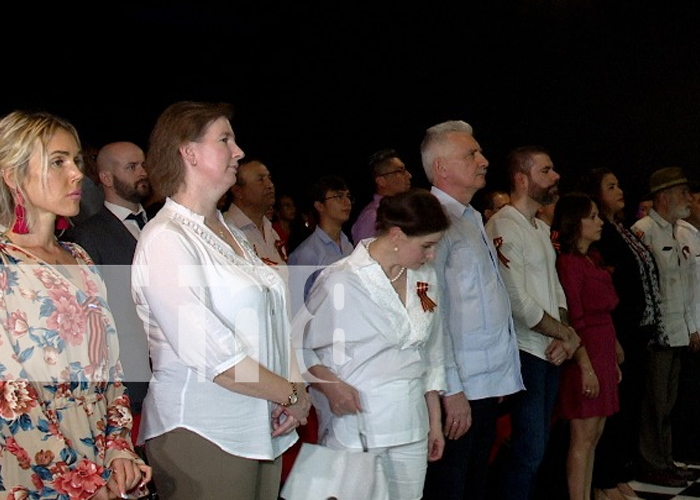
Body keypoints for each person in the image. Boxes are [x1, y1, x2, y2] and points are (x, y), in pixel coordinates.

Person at [131, 101, 311, 500]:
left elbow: (274, 321)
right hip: (202, 430)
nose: (239, 151)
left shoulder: (229, 231)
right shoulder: (166, 237)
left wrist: (293, 386)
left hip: (258, 422)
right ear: (188, 152)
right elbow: (211, 353)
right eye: (225, 140)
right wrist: (291, 394)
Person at [0, 110, 151, 499]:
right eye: (57, 162)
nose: (76, 175)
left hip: (99, 458)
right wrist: (78, 482)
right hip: (37, 470)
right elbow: (12, 400)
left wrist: (120, 447)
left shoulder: (81, 259)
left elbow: (112, 366)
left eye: (76, 161)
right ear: (12, 172)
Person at [301, 188, 449, 500]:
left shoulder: (426, 277)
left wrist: (435, 422)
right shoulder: (340, 279)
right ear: (396, 235)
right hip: (356, 427)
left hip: (412, 427)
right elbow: (298, 347)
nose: (431, 255)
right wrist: (329, 385)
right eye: (426, 246)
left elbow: (432, 354)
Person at [418, 120, 523, 500]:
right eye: (471, 154)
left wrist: (496, 377)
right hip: (459, 387)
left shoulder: (470, 217)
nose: (483, 160)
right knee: (451, 485)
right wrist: (451, 390)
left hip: (483, 383)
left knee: (475, 481)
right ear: (442, 168)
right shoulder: (434, 220)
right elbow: (432, 316)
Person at [484, 145, 581, 500]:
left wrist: (566, 336)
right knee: (528, 452)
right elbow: (517, 303)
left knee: (536, 451)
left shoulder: (539, 227)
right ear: (521, 179)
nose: (555, 177)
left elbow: (555, 290)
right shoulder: (502, 225)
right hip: (525, 352)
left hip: (550, 350)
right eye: (546, 170)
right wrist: (565, 334)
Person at [576, 167, 665, 498]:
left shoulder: (621, 229)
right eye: (610, 186)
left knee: (629, 408)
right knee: (610, 414)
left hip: (639, 330)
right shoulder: (602, 240)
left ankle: (620, 472)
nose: (619, 190)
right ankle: (604, 479)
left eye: (618, 184)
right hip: (616, 331)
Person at [65, 141, 153, 444]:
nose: (143, 172)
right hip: (130, 386)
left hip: (175, 379)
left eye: (143, 164)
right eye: (131, 167)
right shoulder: (86, 237)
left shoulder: (162, 225)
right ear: (105, 177)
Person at [631, 167, 698, 487]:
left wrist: (692, 328)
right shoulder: (643, 231)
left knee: (669, 402)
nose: (687, 198)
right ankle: (651, 462)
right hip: (658, 334)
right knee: (655, 403)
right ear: (663, 197)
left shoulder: (682, 230)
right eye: (682, 192)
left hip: (679, 332)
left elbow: (688, 286)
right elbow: (644, 287)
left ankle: (665, 459)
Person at [551, 193, 621, 500]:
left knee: (594, 436)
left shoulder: (589, 260)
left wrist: (614, 349)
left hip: (602, 349)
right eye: (592, 216)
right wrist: (586, 367)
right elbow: (574, 318)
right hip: (586, 352)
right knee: (582, 437)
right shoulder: (569, 263)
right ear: (574, 222)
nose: (599, 222)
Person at [287, 175, 354, 310]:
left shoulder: (348, 245)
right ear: (319, 206)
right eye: (338, 197)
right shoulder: (306, 253)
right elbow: (297, 305)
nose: (347, 202)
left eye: (348, 196)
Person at [672, 180, 700, 464]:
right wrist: (692, 327)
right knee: (688, 394)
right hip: (691, 327)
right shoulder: (681, 234)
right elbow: (683, 288)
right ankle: (684, 448)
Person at [223, 158, 288, 267]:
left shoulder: (271, 231)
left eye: (269, 178)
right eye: (260, 179)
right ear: (238, 191)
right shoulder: (226, 232)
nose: (270, 185)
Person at [350, 148, 412, 245]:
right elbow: (366, 257)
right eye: (400, 171)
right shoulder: (371, 218)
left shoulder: (406, 210)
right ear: (381, 181)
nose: (409, 175)